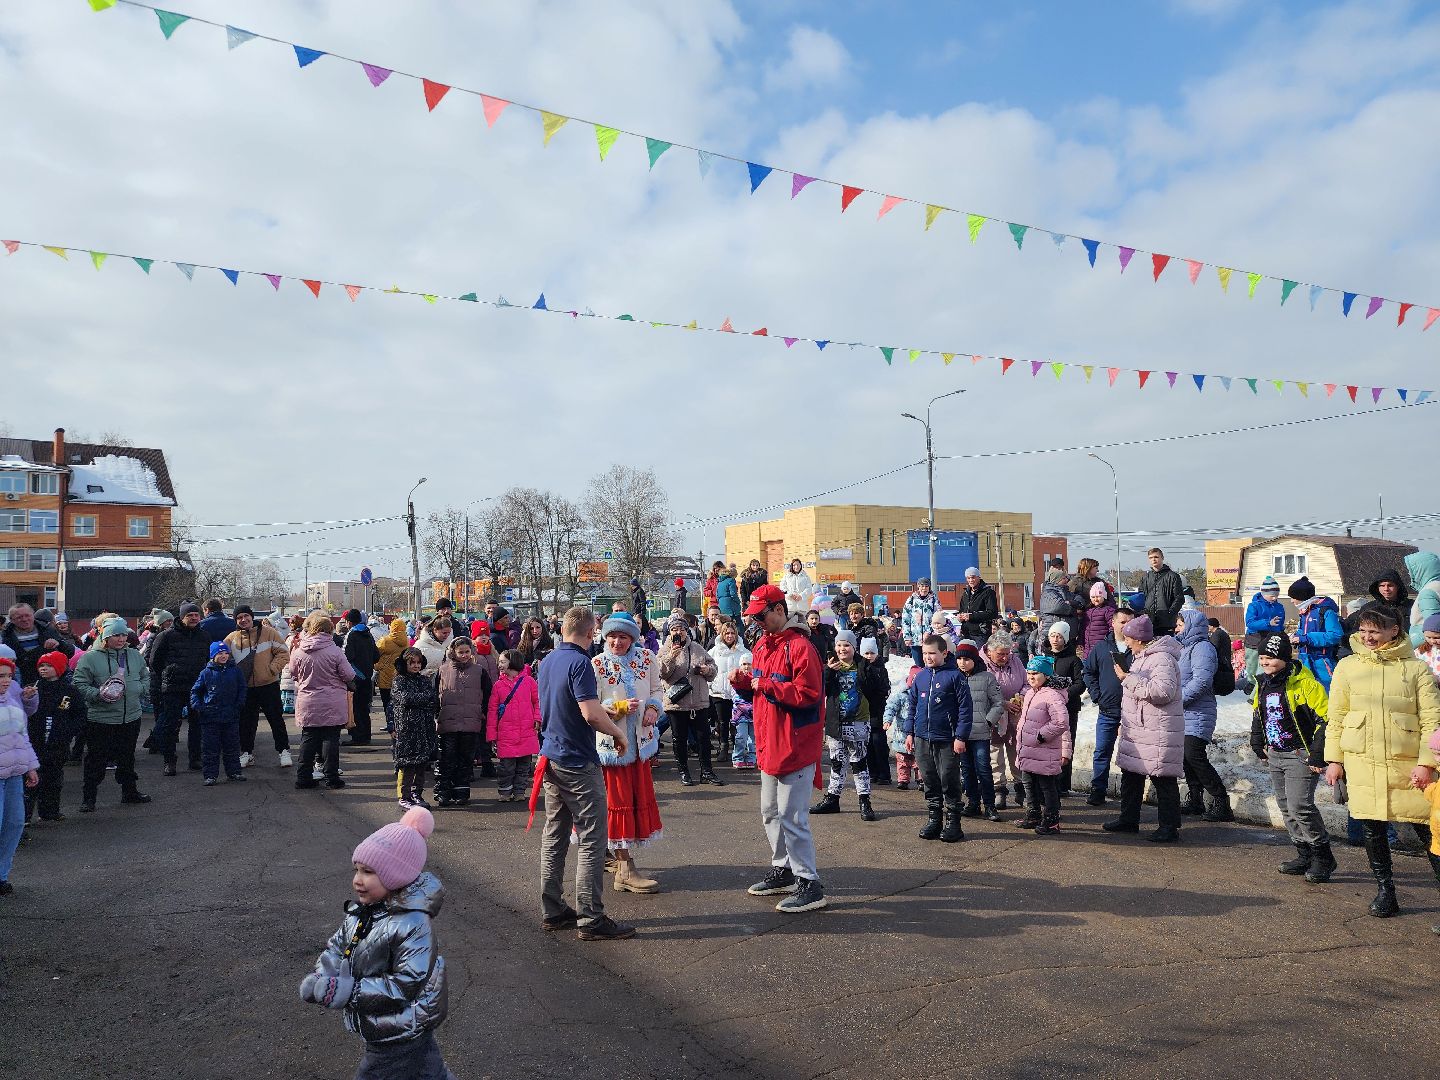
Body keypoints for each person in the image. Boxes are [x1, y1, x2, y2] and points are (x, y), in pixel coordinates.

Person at [300, 807, 452, 1080]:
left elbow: (406, 982)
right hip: (393, 1023)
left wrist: (350, 991)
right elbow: (337, 946)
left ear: (397, 876)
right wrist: (324, 974)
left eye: (369, 872)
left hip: (401, 1028)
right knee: (430, 1073)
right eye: (356, 869)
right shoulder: (363, 911)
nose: (358, 880)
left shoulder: (413, 924)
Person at [1323, 605, 1440, 917]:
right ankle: (1386, 890)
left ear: (1394, 631)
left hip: (1410, 767)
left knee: (1430, 830)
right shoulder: (1347, 667)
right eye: (1363, 630)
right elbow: (1336, 718)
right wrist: (1334, 759)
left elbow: (1432, 721)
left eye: (1375, 630)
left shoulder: (1416, 670)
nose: (1367, 637)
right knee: (1372, 830)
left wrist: (1426, 763)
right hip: (1362, 762)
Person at [532, 606, 634, 940]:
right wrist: (618, 734)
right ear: (591, 633)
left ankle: (553, 909)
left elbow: (566, 706)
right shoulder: (580, 663)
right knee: (592, 837)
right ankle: (591, 917)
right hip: (576, 759)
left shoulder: (547, 661)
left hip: (551, 756)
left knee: (555, 834)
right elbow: (590, 713)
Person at [729, 584, 828, 913]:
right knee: (771, 812)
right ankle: (784, 870)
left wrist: (764, 685)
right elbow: (759, 692)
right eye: (753, 617)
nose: (756, 622)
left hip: (795, 744)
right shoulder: (763, 645)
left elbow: (809, 695)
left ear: (779, 610)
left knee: (792, 816)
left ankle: (808, 882)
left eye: (760, 615)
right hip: (770, 742)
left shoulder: (800, 647)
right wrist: (744, 683)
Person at [1248, 632, 1335, 882]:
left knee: (1300, 806)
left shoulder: (1306, 684)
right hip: (1275, 752)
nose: (1265, 662)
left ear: (1285, 657)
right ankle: (1304, 852)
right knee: (1286, 806)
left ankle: (1323, 856)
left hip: (1300, 755)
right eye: (1262, 657)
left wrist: (1318, 753)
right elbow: (1258, 713)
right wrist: (1257, 740)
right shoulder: (1263, 683)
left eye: (1271, 658)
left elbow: (1325, 719)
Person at [590, 614, 664, 894]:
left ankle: (617, 860)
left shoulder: (647, 658)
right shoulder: (597, 663)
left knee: (633, 804)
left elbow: (657, 689)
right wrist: (618, 706)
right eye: (612, 636)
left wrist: (654, 708)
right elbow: (592, 703)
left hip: (641, 744)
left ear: (632, 638)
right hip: (613, 746)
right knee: (617, 804)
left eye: (623, 637)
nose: (617, 642)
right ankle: (624, 868)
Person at [1103, 615, 1185, 842]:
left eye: (1129, 638)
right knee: (1132, 774)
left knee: (1163, 777)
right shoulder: (1142, 657)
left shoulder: (1161, 659)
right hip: (1140, 728)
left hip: (1157, 729)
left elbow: (1162, 692)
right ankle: (1128, 820)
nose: (1127, 643)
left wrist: (1127, 679)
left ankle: (1169, 827)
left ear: (1139, 639)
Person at [71, 618, 151, 813]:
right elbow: (79, 684)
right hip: (101, 718)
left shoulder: (133, 655)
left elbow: (145, 675)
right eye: (116, 635)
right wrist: (97, 695)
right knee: (96, 759)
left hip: (130, 716)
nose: (122, 638)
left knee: (127, 756)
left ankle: (129, 792)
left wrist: (139, 689)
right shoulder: (90, 658)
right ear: (106, 636)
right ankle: (89, 797)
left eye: (124, 634)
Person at [811, 629, 887, 821]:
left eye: (846, 645)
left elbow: (879, 690)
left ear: (854, 647)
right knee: (837, 763)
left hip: (859, 722)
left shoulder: (864, 665)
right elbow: (822, 691)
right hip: (836, 724)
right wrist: (829, 672)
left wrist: (874, 666)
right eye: (839, 645)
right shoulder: (831, 666)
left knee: (860, 764)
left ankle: (864, 801)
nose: (842, 649)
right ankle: (832, 799)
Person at [904, 633, 973, 843]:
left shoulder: (955, 677)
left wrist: (960, 736)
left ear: (944, 653)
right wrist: (910, 732)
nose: (927, 657)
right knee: (930, 779)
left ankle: (954, 822)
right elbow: (912, 706)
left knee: (948, 780)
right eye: (925, 653)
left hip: (947, 738)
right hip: (923, 738)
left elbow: (965, 709)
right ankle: (934, 819)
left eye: (932, 653)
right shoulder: (921, 676)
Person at [1176, 606, 1232, 821]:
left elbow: (1201, 681)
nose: (1177, 629)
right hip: (1185, 712)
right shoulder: (1183, 648)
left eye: (1180, 625)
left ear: (1191, 626)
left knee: (1194, 755)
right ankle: (1195, 799)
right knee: (1185, 757)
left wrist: (1178, 699)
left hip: (1199, 711)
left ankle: (1221, 801)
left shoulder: (1202, 648)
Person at [289, 613, 356, 791]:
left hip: (307, 701)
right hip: (331, 702)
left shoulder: (299, 650)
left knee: (308, 739)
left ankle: (303, 777)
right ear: (329, 631)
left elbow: (292, 672)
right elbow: (349, 675)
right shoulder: (334, 651)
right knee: (330, 740)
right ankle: (331, 778)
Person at [147, 601, 211, 775]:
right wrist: (167, 676)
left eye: (196, 615)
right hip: (173, 688)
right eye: (190, 615)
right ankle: (169, 761)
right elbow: (154, 661)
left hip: (196, 687)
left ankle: (195, 759)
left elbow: (207, 659)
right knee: (170, 725)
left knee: (196, 725)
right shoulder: (166, 636)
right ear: (182, 617)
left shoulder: (204, 636)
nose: (194, 618)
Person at [659, 611, 722, 787]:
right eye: (674, 629)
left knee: (704, 739)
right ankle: (684, 772)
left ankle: (707, 772)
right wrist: (671, 655)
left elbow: (713, 668)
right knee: (679, 739)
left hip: (699, 702)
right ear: (669, 632)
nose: (678, 632)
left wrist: (707, 670)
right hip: (676, 704)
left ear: (687, 631)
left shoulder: (697, 648)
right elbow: (662, 673)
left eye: (681, 629)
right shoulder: (665, 649)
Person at [225, 605, 292, 769]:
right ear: (236, 620)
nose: (243, 620)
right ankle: (246, 753)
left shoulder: (269, 633)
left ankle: (284, 751)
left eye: (246, 616)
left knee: (276, 720)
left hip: (268, 685)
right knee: (246, 722)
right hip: (246, 688)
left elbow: (284, 653)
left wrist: (272, 669)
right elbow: (221, 659)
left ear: (251, 616)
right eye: (239, 617)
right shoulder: (231, 639)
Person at [1081, 608, 1134, 806]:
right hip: (1108, 710)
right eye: (1122, 621)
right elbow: (1088, 672)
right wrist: (1097, 696)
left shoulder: (1138, 648)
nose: (1126, 625)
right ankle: (1098, 790)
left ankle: (1129, 793)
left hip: (1133, 712)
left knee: (1131, 754)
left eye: (1130, 621)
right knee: (1102, 751)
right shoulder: (1102, 647)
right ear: (1113, 623)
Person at [1015, 655, 1072, 835]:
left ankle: (1052, 820)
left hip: (1043, 749)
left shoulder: (1052, 695)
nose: (1031, 676)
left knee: (1047, 787)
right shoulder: (1032, 692)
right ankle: (1033, 814)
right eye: (1029, 673)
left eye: (1036, 673)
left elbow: (1061, 722)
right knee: (1028, 783)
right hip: (1028, 749)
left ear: (1046, 675)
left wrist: (1041, 735)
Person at [434, 635, 492, 808]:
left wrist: (482, 712)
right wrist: (437, 714)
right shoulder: (443, 670)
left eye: (467, 652)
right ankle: (443, 790)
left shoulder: (479, 671)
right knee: (446, 757)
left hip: (471, 721)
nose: (464, 655)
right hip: (448, 720)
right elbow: (435, 694)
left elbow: (488, 694)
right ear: (453, 652)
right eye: (461, 652)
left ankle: (461, 791)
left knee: (466, 758)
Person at [25, 652, 82, 823]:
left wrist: (68, 731)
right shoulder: (34, 688)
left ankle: (50, 811)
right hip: (35, 742)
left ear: (59, 668)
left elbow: (79, 715)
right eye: (41, 665)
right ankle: (26, 815)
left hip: (58, 743)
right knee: (31, 779)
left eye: (48, 666)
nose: (44, 669)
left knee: (53, 778)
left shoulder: (69, 691)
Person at [0, 656, 40, 897]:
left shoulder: (13, 704)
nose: (6, 681)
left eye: (8, 676)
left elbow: (22, 738)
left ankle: (2, 875)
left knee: (14, 824)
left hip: (14, 775)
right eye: (0, 676)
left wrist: (30, 766)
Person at [188, 641, 248, 787]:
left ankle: (234, 771)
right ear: (213, 655)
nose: (223, 656)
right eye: (220, 653)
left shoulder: (235, 670)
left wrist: (239, 704)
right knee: (210, 748)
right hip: (210, 717)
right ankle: (210, 775)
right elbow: (195, 691)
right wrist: (198, 706)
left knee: (232, 746)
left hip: (231, 716)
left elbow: (242, 688)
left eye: (226, 653)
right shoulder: (206, 673)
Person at [955, 640, 1002, 821]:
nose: (962, 663)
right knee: (967, 770)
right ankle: (973, 803)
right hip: (961, 734)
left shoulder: (987, 678)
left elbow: (998, 703)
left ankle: (990, 805)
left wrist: (988, 722)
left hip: (980, 732)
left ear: (975, 659)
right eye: (959, 659)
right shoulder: (955, 677)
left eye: (966, 659)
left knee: (983, 769)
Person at [1037, 623, 1085, 793]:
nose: (1055, 640)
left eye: (1059, 636)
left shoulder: (1073, 660)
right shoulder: (1042, 658)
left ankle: (1063, 784)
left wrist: (1063, 696)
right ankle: (1047, 780)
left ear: (1065, 638)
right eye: (1053, 636)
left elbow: (1080, 684)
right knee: (1047, 743)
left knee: (1066, 744)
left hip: (1068, 708)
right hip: (1046, 709)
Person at [488, 649, 540, 803]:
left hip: (526, 731)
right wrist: (492, 734)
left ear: (513, 662)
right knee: (506, 766)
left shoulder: (529, 681)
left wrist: (537, 718)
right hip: (506, 733)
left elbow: (537, 702)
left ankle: (519, 791)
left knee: (524, 766)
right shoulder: (498, 685)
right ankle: (505, 791)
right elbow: (492, 711)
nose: (500, 664)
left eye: (503, 661)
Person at [390, 648, 439, 810]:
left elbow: (432, 699)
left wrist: (420, 700)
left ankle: (417, 793)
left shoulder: (424, 681)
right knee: (407, 764)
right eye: (412, 663)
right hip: (407, 729)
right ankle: (404, 796)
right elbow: (404, 698)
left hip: (424, 727)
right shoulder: (399, 681)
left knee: (421, 764)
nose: (416, 666)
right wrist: (422, 699)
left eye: (418, 663)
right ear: (405, 664)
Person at [984, 632, 1027, 810]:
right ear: (989, 651)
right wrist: (1003, 704)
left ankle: (1021, 787)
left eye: (1007, 653)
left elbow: (1026, 682)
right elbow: (983, 691)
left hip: (1015, 713)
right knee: (995, 752)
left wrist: (1022, 696)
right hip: (992, 715)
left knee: (1016, 750)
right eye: (1000, 654)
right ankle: (999, 789)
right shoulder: (982, 664)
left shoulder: (1015, 661)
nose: (1005, 657)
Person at [1287, 577, 1343, 691]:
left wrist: (1306, 638)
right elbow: (1303, 631)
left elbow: (1336, 635)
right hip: (1305, 658)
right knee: (1307, 692)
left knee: (1327, 692)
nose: (1292, 601)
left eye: (1293, 597)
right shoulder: (1304, 612)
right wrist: (1296, 636)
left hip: (1322, 661)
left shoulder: (1326, 611)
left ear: (1302, 597)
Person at [3, 602, 75, 687]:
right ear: (12, 620)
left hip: (51, 682)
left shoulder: (47, 630)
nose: (24, 619)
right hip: (23, 684)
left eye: (27, 615)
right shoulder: (5, 636)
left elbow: (70, 652)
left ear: (33, 615)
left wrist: (59, 644)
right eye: (19, 617)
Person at [709, 619, 748, 762]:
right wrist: (710, 686)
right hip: (719, 692)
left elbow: (749, 667)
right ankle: (723, 747)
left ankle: (738, 748)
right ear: (722, 634)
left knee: (737, 722)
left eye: (732, 633)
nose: (730, 636)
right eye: (727, 633)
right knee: (722, 721)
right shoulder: (714, 651)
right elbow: (709, 669)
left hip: (738, 692)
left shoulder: (743, 651)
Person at [340, 608, 379, 747]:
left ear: (348, 622)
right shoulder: (368, 634)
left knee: (355, 707)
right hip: (368, 677)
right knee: (364, 708)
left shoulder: (351, 635)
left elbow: (346, 657)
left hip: (355, 677)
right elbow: (376, 655)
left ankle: (357, 736)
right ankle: (366, 735)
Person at [883, 664, 921, 791]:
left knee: (919, 760)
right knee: (903, 760)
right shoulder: (901, 695)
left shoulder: (924, 695)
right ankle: (903, 779)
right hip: (902, 735)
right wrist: (887, 720)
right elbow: (891, 707)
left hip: (918, 734)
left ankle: (921, 779)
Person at [1244, 577, 1286, 683]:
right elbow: (1250, 623)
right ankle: (1252, 685)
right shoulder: (1254, 605)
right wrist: (1268, 623)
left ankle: (1258, 691)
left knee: (1264, 669)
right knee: (1251, 670)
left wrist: (1282, 634)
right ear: (1263, 593)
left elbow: (1279, 624)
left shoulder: (1279, 607)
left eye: (1276, 596)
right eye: (1272, 596)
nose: (1274, 598)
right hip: (1254, 640)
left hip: (1270, 641)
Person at [1138, 548, 1186, 637]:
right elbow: (1141, 597)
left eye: (1156, 557)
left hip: (1167, 622)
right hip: (1149, 620)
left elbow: (1179, 598)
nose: (1153, 559)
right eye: (1151, 557)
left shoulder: (1173, 576)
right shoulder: (1145, 578)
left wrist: (1169, 613)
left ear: (1162, 558)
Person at [374, 618, 409, 734]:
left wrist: (377, 666)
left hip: (385, 677)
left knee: (386, 702)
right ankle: (400, 723)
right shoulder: (407, 642)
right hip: (400, 676)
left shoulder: (385, 641)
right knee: (399, 702)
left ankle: (390, 723)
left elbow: (375, 654)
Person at [900, 578, 938, 666]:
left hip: (930, 639)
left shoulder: (934, 600)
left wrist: (929, 632)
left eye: (926, 586)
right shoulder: (911, 600)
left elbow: (937, 618)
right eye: (922, 586)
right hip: (915, 639)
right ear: (918, 587)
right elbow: (906, 619)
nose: (924, 588)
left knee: (931, 664)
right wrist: (907, 636)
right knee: (919, 665)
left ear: (929, 587)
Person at [1405, 551, 1440, 647]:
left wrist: (1406, 648)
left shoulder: (1428, 591)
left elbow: (1432, 628)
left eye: (1411, 570)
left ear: (1421, 570)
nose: (1409, 574)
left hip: (1424, 647)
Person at [957, 568, 999, 644]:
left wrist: (971, 616)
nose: (970, 580)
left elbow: (993, 613)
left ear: (979, 577)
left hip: (980, 634)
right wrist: (960, 616)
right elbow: (962, 610)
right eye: (968, 578)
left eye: (973, 577)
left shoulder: (988, 592)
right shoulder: (965, 593)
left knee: (979, 656)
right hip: (965, 633)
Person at [1080, 581, 1117, 659]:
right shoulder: (1088, 611)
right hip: (1088, 650)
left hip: (1102, 649)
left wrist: (1108, 641)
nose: (1095, 599)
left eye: (1098, 596)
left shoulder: (1108, 610)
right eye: (1093, 597)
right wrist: (1080, 641)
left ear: (1104, 596)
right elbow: (1083, 628)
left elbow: (1112, 627)